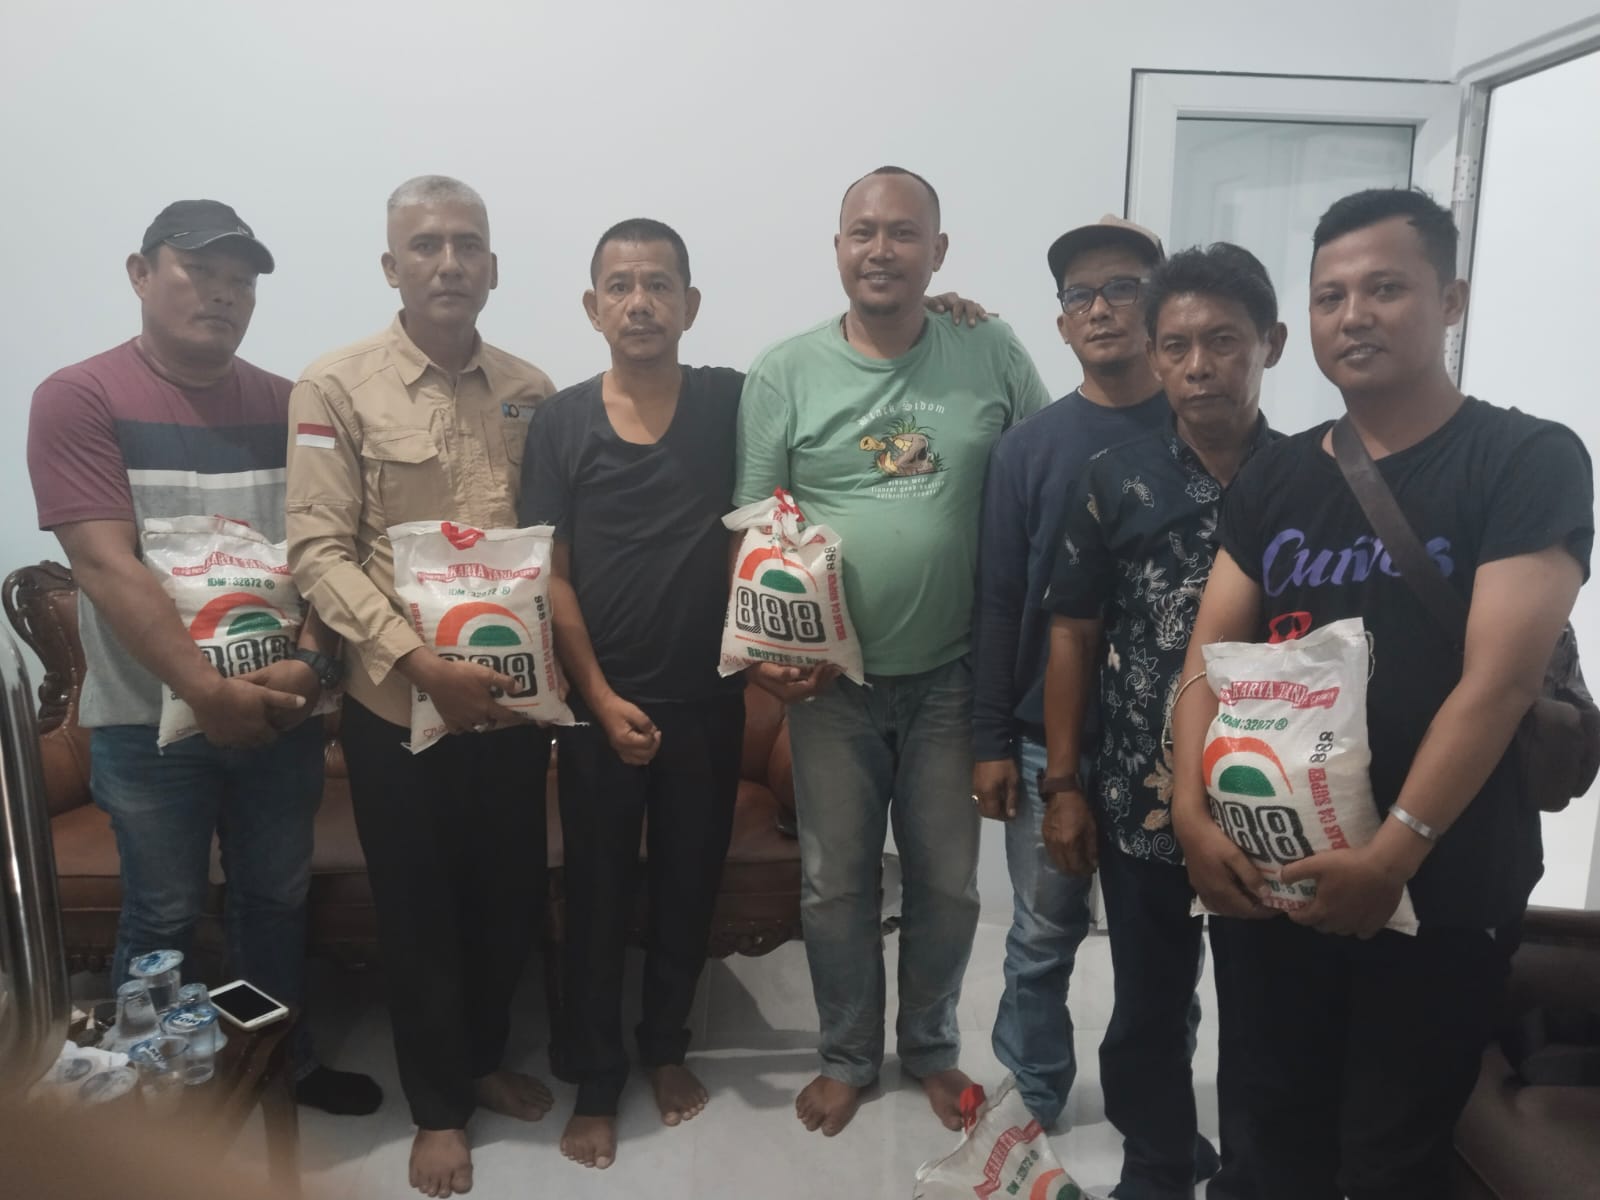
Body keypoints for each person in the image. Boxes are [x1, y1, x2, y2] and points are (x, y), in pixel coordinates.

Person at [1170, 188, 1593, 1200]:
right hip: (1272, 872)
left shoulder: (1524, 458)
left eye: (1385, 288)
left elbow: (1497, 683)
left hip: (1442, 884)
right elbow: (1205, 654)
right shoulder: (1276, 477)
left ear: (1449, 300)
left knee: (1392, 1157)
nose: (1353, 315)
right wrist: (1188, 811)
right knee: (1267, 1144)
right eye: (1330, 296)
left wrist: (1389, 858)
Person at [25, 199, 379, 1117]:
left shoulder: (292, 406)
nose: (223, 294)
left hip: (282, 715)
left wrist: (311, 666)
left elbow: (332, 551)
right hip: (148, 726)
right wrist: (201, 690)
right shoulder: (79, 397)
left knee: (274, 902)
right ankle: (155, 1100)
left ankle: (278, 1071)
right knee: (162, 911)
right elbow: (103, 563)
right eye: (199, 272)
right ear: (141, 274)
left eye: (241, 281)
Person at [734, 165, 1051, 1137]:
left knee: (947, 883)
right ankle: (845, 1056)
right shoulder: (785, 371)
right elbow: (756, 525)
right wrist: (766, 656)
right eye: (862, 232)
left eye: (904, 233)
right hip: (831, 684)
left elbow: (1044, 468)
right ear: (837, 248)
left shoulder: (988, 348)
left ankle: (928, 1049)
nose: (881, 249)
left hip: (955, 675)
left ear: (938, 252)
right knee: (834, 882)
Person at [285, 175, 556, 1200]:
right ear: (391, 266)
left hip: (510, 704)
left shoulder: (533, 388)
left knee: (505, 899)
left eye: (468, 244)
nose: (450, 262)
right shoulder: (334, 386)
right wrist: (418, 662)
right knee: (419, 910)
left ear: (493, 266)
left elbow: (552, 543)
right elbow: (318, 552)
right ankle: (438, 1109)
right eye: (427, 244)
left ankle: (480, 1060)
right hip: (397, 704)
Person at [1042, 244, 1285, 1199]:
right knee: (1146, 1005)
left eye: (1223, 342)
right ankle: (1156, 1164)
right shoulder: (1116, 479)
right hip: (1141, 795)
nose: (1198, 366)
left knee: (1265, 1009)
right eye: (1176, 346)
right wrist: (1064, 784)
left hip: (1272, 797)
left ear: (1269, 345)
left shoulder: (1311, 478)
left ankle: (1256, 1174)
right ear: (1152, 354)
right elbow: (1071, 633)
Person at [972, 214, 1168, 1131]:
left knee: (1159, 946)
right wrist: (989, 740)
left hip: (1167, 743)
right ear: (1060, 323)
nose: (1101, 308)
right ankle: (1032, 1100)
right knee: (1042, 934)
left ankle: (1153, 1114)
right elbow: (998, 600)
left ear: (1157, 303)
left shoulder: (1203, 429)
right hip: (1041, 737)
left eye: (1123, 287)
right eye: (1080, 295)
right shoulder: (1028, 448)